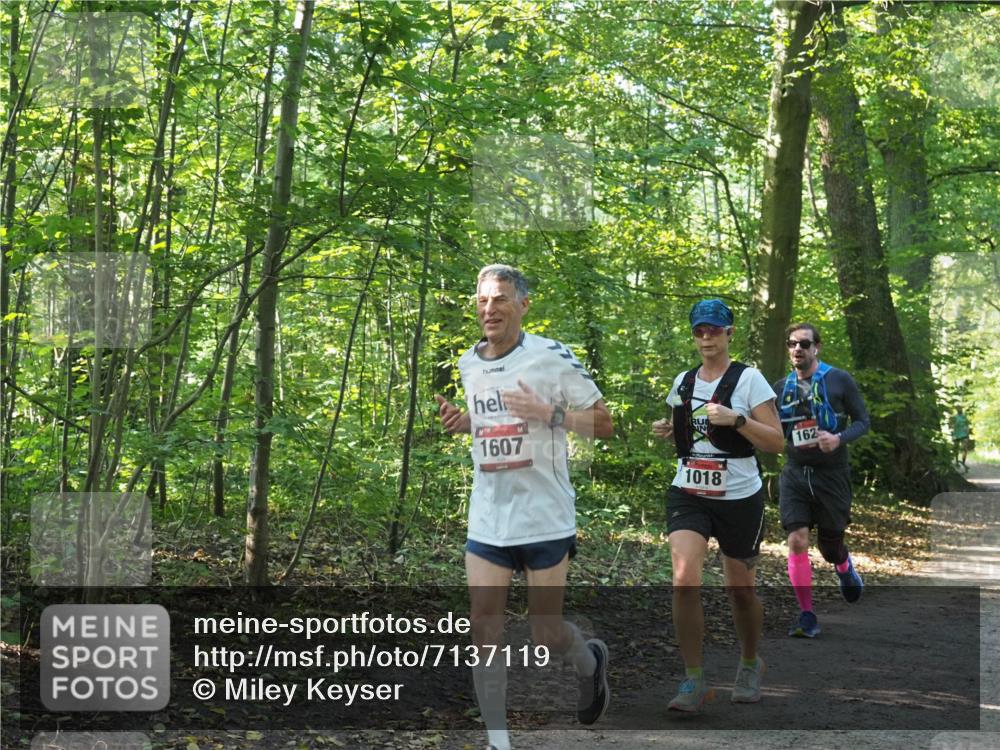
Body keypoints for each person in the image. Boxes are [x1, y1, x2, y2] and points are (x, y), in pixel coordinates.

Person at [435, 264, 614, 750]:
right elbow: (491, 418)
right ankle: (498, 742)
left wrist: (550, 413)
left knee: (545, 632)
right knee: (483, 626)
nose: (489, 309)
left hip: (544, 517)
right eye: (482, 300)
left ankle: (589, 662)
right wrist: (464, 422)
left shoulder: (551, 357)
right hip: (489, 517)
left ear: (523, 305)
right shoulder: (469, 362)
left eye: (500, 299)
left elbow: (604, 424)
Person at [651, 299, 783, 713]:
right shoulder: (684, 382)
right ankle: (694, 679)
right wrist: (669, 430)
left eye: (713, 329)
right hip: (689, 491)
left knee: (739, 591)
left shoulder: (749, 380)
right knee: (684, 578)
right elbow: (689, 434)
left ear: (729, 333)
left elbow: (777, 442)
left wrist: (738, 420)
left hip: (739, 496)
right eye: (699, 330)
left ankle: (750, 662)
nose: (706, 337)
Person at [774, 323, 870, 639]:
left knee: (830, 548)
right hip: (795, 474)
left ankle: (844, 567)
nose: (797, 349)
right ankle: (807, 615)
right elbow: (768, 429)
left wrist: (839, 438)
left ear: (817, 347)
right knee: (797, 540)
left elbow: (863, 421)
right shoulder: (780, 388)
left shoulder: (839, 379)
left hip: (832, 475)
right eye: (792, 344)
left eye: (804, 344)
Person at [950, 406, 971, 471]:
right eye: (958, 408)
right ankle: (956, 462)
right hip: (956, 435)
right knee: (955, 448)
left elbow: (967, 425)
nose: (960, 409)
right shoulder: (954, 417)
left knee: (965, 449)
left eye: (961, 408)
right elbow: (950, 426)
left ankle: (963, 463)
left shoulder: (964, 417)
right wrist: (952, 433)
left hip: (964, 435)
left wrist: (967, 432)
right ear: (956, 409)